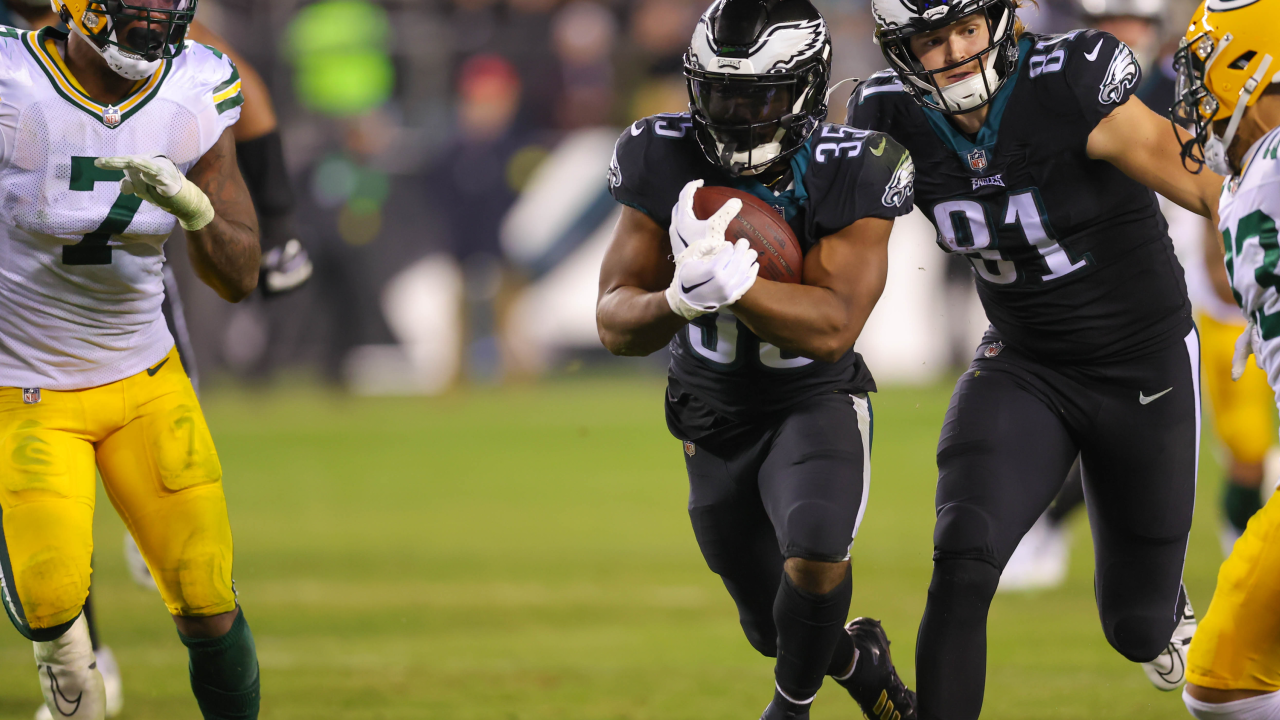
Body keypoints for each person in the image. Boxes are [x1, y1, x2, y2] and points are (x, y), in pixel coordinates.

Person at [846, 0, 1227, 715]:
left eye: (967, 29)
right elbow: (842, 254)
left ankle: (1158, 602)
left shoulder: (1069, 82)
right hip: (1026, 363)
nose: (956, 52)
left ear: (1000, 21)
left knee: (1136, 627)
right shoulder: (887, 117)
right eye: (932, 39)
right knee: (962, 556)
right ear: (901, 50)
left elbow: (1212, 186)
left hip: (1141, 364)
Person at [596, 0, 919, 717]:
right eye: (721, 95)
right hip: (711, 411)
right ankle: (860, 663)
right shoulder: (660, 152)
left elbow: (834, 326)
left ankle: (790, 710)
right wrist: (675, 301)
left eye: (762, 96)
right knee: (774, 628)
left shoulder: (853, 168)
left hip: (813, 398)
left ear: (806, 88)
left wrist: (738, 289)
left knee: (815, 549)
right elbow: (615, 321)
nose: (739, 115)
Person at [0, 0, 264, 717]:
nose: (154, 12)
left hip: (145, 382)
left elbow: (239, 277)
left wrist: (198, 211)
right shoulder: (12, 77)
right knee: (53, 604)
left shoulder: (196, 85)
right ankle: (69, 689)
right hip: (25, 389)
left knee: (206, 595)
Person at [1172, 2, 1280, 717]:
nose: (1199, 107)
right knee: (1221, 677)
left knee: (1222, 679)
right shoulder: (1254, 169)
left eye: (1205, 79)